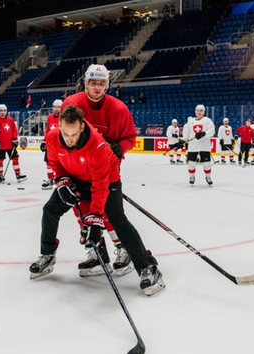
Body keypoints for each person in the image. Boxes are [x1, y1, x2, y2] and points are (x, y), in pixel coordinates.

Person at [30, 105, 165, 296]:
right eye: (66, 134)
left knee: (117, 219)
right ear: (59, 126)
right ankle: (47, 255)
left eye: (74, 135)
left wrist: (94, 218)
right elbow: (55, 162)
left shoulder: (97, 146)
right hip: (76, 176)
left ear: (82, 128)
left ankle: (148, 267)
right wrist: (62, 181)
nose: (69, 140)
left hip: (106, 179)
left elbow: (100, 187)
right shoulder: (52, 137)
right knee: (50, 210)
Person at [62, 63, 139, 277]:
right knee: (83, 212)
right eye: (92, 82)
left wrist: (119, 147)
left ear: (108, 85)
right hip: (78, 170)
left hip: (105, 171)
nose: (97, 87)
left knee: (108, 212)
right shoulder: (72, 103)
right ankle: (96, 252)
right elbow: (62, 134)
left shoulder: (119, 109)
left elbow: (130, 137)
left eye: (101, 83)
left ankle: (123, 249)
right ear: (85, 83)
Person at [183, 105, 216, 186]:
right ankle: (192, 177)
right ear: (195, 111)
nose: (199, 112)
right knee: (191, 163)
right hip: (193, 146)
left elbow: (212, 130)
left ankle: (208, 177)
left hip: (204, 146)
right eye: (198, 110)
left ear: (204, 112)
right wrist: (184, 140)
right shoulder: (190, 121)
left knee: (207, 164)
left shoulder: (207, 120)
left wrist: (204, 133)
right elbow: (186, 132)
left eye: (201, 110)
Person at [0, 104, 26, 183]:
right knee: (0, 161)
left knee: (15, 159)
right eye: (1, 111)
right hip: (0, 144)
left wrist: (15, 140)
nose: (2, 112)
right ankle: (0, 175)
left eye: (4, 110)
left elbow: (14, 130)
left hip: (10, 144)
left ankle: (18, 174)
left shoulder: (10, 120)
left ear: (6, 111)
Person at [41, 99, 62, 190]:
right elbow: (48, 130)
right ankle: (50, 179)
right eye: (55, 107)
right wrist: (44, 141)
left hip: (61, 144)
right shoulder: (50, 117)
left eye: (59, 107)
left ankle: (60, 179)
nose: (56, 109)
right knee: (48, 162)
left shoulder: (64, 117)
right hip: (50, 144)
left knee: (61, 163)